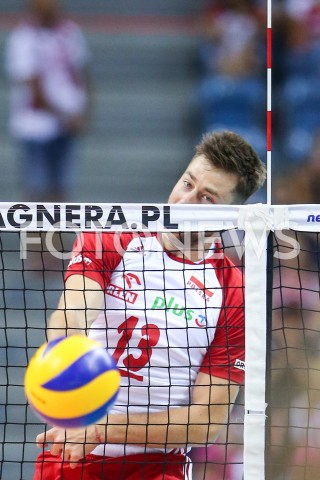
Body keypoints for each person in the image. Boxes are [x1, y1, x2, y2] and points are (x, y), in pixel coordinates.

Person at [34, 131, 266, 480]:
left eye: (206, 198)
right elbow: (72, 317)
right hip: (69, 453)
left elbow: (204, 422)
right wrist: (66, 359)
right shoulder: (111, 236)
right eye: (187, 183)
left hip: (157, 467)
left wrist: (102, 429)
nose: (186, 202)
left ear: (230, 214)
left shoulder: (235, 291)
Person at [4, 0, 91, 202]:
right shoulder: (23, 37)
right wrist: (66, 117)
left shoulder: (70, 33)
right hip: (36, 127)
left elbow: (83, 72)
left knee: (60, 191)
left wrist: (84, 112)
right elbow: (33, 88)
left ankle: (57, 234)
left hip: (66, 124)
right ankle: (36, 235)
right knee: (37, 191)